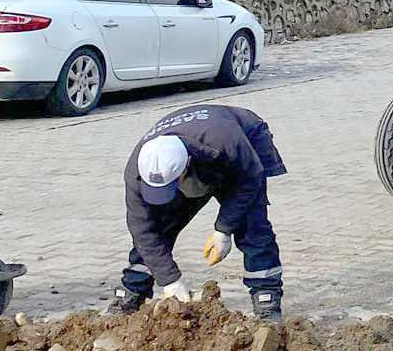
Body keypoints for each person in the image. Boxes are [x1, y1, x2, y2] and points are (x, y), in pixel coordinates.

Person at [111, 104, 288, 320]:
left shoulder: (225, 143)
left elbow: (250, 181)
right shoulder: (137, 171)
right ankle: (131, 291)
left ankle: (266, 299)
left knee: (251, 224)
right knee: (159, 226)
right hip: (200, 149)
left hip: (243, 143)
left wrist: (223, 228)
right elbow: (142, 230)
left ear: (186, 167)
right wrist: (170, 281)